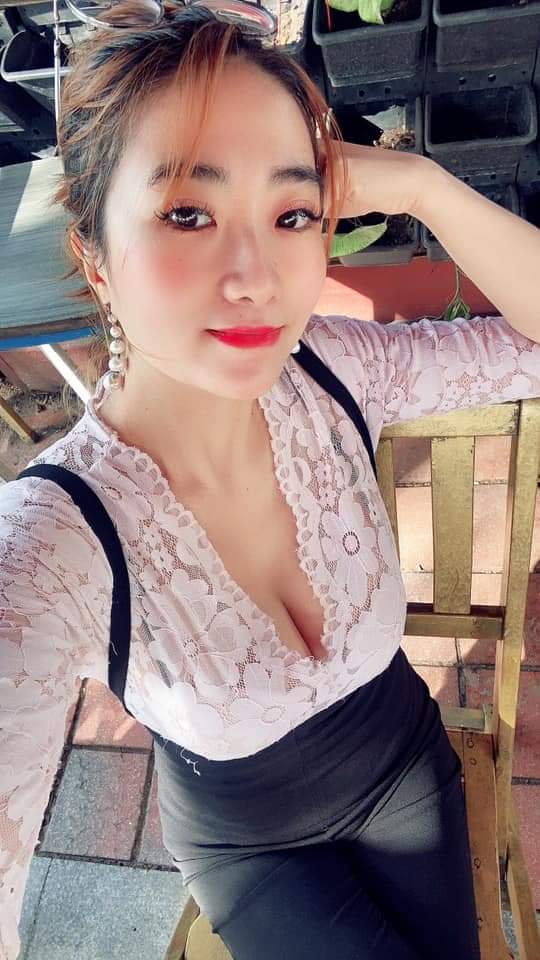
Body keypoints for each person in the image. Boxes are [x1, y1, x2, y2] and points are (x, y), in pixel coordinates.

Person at [1, 4, 540, 959]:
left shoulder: (334, 370)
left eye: (292, 213)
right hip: (253, 849)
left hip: (405, 763)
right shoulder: (55, 541)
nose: (255, 275)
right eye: (187, 213)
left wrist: (420, 183)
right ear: (95, 256)